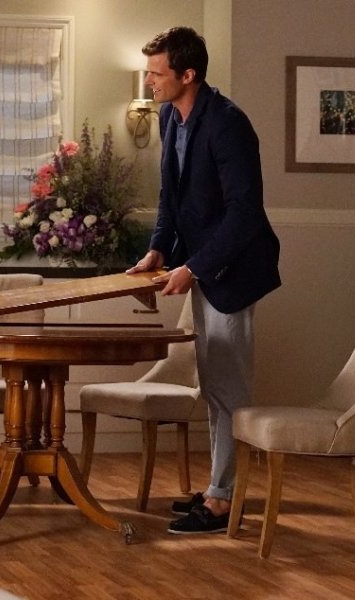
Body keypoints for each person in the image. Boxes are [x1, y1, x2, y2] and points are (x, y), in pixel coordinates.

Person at [127, 27, 280, 534]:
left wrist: (193, 268)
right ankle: (221, 486)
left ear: (188, 74)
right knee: (213, 384)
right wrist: (158, 249)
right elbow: (171, 198)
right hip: (201, 266)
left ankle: (223, 500)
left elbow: (245, 214)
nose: (148, 82)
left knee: (228, 389)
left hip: (233, 271)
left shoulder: (229, 124)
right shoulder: (170, 117)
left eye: (156, 73)